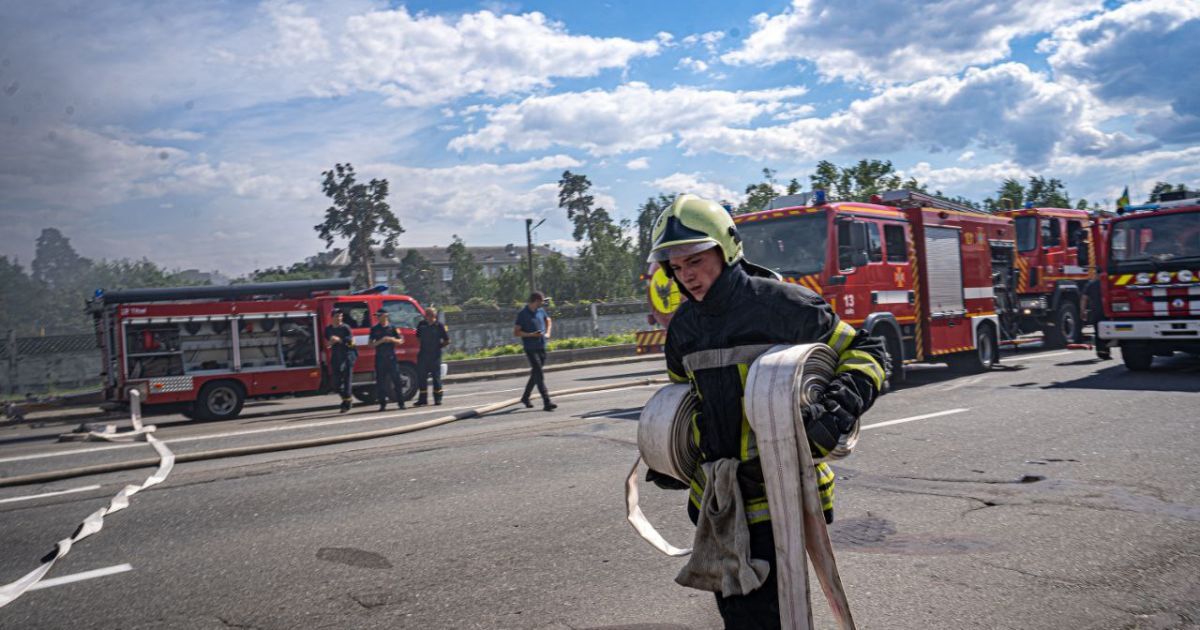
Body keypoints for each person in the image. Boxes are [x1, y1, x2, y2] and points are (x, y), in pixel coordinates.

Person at [645, 194, 888, 630]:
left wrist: (836, 412)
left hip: (782, 498)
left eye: (695, 260)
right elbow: (686, 403)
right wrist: (673, 456)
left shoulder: (785, 306)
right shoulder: (683, 329)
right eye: (676, 267)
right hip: (719, 505)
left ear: (726, 249)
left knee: (764, 617)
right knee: (742, 616)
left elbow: (866, 351)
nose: (687, 275)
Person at [513, 291, 557, 411]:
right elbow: (516, 332)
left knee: (536, 374)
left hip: (541, 346)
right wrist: (531, 334)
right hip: (530, 348)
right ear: (536, 301)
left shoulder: (541, 311)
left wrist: (548, 333)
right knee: (539, 373)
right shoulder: (523, 314)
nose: (543, 303)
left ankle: (525, 397)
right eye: (542, 301)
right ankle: (547, 401)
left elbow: (548, 320)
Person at [369, 309, 406, 411]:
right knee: (381, 382)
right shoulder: (374, 329)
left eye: (379, 315)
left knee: (397, 381)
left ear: (385, 316)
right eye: (377, 316)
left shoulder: (393, 328)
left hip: (391, 358)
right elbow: (370, 344)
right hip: (380, 358)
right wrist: (381, 341)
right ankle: (382, 404)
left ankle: (401, 403)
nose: (378, 317)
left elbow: (401, 341)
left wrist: (391, 339)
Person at [413, 307, 450, 406]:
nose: (428, 316)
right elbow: (418, 337)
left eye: (430, 314)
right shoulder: (421, 324)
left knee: (436, 378)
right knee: (422, 377)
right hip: (423, 355)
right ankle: (422, 399)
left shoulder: (439, 325)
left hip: (435, 356)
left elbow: (447, 340)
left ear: (434, 315)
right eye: (427, 314)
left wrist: (438, 346)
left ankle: (438, 399)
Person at [325, 309, 357, 413]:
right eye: (337, 316)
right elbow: (328, 342)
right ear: (332, 318)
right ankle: (347, 399)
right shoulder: (328, 329)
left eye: (341, 316)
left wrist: (339, 340)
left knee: (347, 381)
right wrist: (330, 343)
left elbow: (351, 342)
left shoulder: (346, 328)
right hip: (336, 357)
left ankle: (346, 404)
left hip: (347, 355)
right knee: (335, 384)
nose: (339, 318)